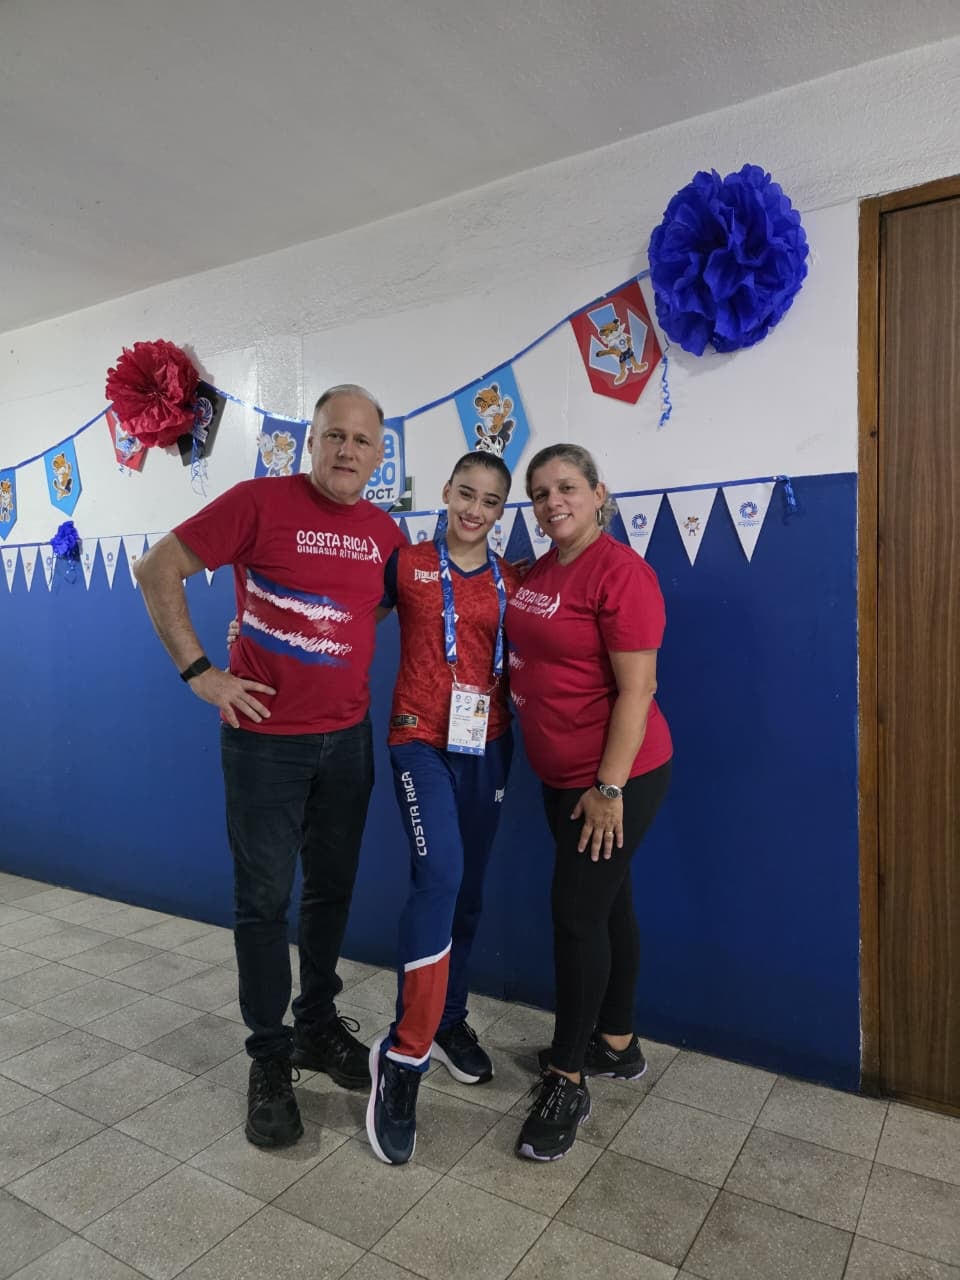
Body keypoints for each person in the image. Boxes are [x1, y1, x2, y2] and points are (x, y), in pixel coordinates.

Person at [134, 384, 406, 1150]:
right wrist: (201, 673)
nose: (347, 450)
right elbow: (156, 570)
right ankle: (269, 1055)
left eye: (362, 440)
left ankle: (317, 1024)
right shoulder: (257, 502)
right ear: (309, 441)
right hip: (264, 744)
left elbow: (369, 611)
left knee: (330, 891)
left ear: (379, 455)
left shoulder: (386, 533)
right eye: (334, 436)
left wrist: (286, 630)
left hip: (347, 741)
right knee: (262, 904)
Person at [505, 443, 672, 1161]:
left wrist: (608, 789)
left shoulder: (622, 573)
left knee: (576, 916)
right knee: (609, 906)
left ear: (600, 493)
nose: (552, 503)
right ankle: (617, 1043)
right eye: (539, 493)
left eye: (566, 488)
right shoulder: (539, 571)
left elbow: (639, 690)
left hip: (617, 778)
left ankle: (569, 1076)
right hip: (560, 777)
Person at [366, 451, 521, 1165]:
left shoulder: (511, 580)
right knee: (441, 878)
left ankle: (452, 1019)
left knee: (469, 896)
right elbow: (343, 615)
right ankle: (403, 1058)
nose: (475, 510)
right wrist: (254, 639)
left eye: (491, 501)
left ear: (501, 511)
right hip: (416, 740)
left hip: (486, 744)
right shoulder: (405, 565)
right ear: (446, 491)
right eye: (466, 493)